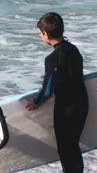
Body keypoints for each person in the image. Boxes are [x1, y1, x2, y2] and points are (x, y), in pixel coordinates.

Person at [25, 12, 89, 173]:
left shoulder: (53, 58)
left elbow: (48, 89)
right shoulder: (73, 50)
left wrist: (36, 102)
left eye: (41, 34)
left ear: (46, 34)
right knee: (73, 146)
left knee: (66, 149)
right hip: (82, 103)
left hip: (66, 109)